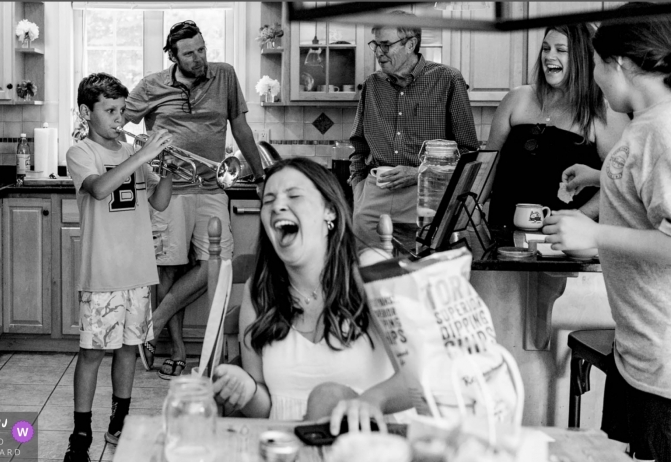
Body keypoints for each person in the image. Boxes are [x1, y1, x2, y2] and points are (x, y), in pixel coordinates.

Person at [544, 5, 671, 462]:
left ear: (617, 63)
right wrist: (601, 178)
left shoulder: (661, 130)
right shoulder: (647, 122)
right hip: (635, 352)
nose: (592, 76)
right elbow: (646, 191)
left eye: (595, 63)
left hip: (661, 369)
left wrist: (595, 234)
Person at [211, 158, 412, 425]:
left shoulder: (368, 272)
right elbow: (265, 407)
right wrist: (247, 391)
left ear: (329, 211)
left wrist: (371, 402)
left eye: (294, 195)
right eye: (268, 200)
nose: (278, 206)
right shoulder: (259, 291)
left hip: (365, 447)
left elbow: (422, 375)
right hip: (288, 450)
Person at [125, 20, 265, 379]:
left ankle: (151, 325)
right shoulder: (151, 85)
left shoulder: (225, 76)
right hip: (168, 189)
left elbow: (242, 128)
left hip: (212, 185)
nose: (199, 58)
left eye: (202, 49)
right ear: (173, 56)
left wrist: (262, 175)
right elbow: (116, 122)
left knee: (216, 263)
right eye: (190, 53)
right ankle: (178, 351)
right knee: (169, 269)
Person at [63, 73, 173, 462]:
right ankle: (81, 432)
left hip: (139, 270)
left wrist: (170, 170)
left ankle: (120, 418)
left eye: (122, 110)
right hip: (104, 272)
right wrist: (141, 156)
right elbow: (99, 188)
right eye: (109, 110)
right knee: (92, 353)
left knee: (129, 350)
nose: (119, 118)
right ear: (85, 112)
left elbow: (158, 202)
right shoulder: (82, 152)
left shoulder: (131, 149)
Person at [349, 10, 480, 250]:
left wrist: (417, 172)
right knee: (367, 273)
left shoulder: (448, 79)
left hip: (427, 194)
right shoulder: (372, 85)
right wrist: (359, 190)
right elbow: (359, 145)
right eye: (375, 45)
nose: (379, 53)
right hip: (375, 193)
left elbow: (468, 150)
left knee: (421, 274)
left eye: (386, 45)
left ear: (411, 44)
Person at [487, 23, 629, 229]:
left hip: (564, 243)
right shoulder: (517, 98)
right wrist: (468, 209)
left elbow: (618, 182)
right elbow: (487, 164)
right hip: (501, 230)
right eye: (545, 48)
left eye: (561, 50)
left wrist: (578, 219)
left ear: (582, 58)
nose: (548, 56)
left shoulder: (605, 111)